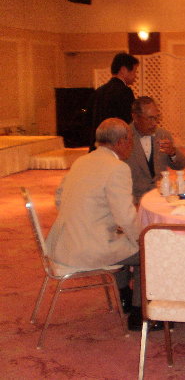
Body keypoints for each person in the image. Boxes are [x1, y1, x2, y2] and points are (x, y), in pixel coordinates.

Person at [45, 118, 155, 331]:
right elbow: (125, 216)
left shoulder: (82, 161)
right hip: (89, 249)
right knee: (148, 251)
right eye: (130, 140)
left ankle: (123, 295)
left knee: (123, 242)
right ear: (121, 142)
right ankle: (139, 314)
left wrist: (90, 219)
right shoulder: (117, 168)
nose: (131, 144)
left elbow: (59, 198)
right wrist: (142, 239)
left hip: (65, 244)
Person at [125, 96, 185, 204]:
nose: (154, 123)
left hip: (161, 195)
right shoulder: (124, 137)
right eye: (149, 118)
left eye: (156, 118)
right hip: (135, 200)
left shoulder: (163, 135)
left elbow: (181, 165)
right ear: (135, 117)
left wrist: (172, 152)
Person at [88, 52, 139, 151]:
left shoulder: (99, 91)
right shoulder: (125, 91)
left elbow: (88, 119)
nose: (135, 76)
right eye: (134, 71)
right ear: (123, 70)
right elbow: (127, 121)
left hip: (97, 144)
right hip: (115, 145)